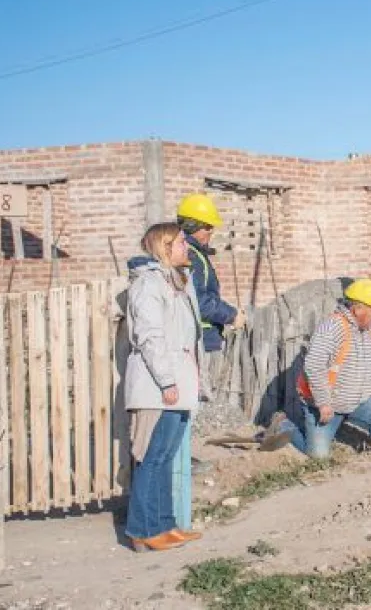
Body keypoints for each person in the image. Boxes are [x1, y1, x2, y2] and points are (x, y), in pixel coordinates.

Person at [123, 222, 205, 552]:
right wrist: (167, 381)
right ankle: (140, 529)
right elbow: (150, 336)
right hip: (158, 386)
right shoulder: (148, 284)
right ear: (164, 246)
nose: (188, 247)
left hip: (178, 385)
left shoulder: (179, 283)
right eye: (182, 242)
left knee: (166, 457)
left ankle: (165, 525)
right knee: (151, 458)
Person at [269, 278, 371, 459]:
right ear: (357, 309)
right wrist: (323, 403)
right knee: (318, 456)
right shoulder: (332, 328)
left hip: (358, 401)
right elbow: (314, 366)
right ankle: (283, 425)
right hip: (326, 405)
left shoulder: (368, 332)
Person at [175, 193, 247, 393]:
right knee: (199, 397)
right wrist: (231, 315)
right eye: (208, 227)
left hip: (195, 339)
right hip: (199, 340)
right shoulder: (192, 256)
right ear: (193, 227)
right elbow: (199, 301)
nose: (211, 232)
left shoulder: (189, 253)